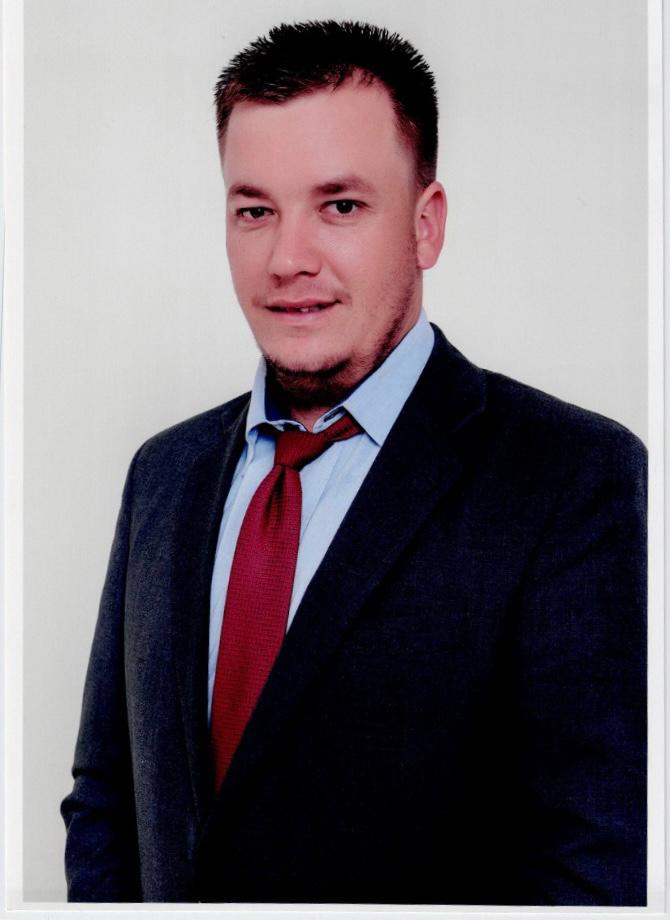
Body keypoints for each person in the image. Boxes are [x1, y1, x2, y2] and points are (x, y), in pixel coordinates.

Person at [61, 20, 646, 906]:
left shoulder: (569, 478)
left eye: (339, 206)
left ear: (426, 224)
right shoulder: (164, 475)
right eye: (255, 210)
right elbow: (107, 799)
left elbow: (593, 866)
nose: (288, 259)